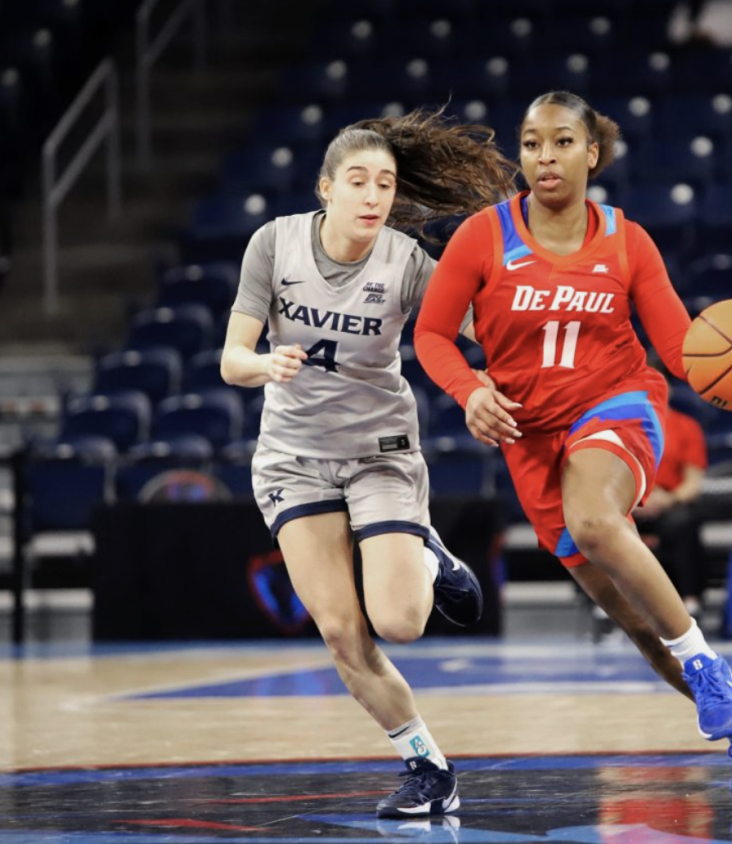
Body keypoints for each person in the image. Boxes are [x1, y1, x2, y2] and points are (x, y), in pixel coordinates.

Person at [414, 91, 732, 810]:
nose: (543, 157)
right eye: (530, 144)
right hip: (531, 439)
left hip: (615, 405)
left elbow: (682, 352)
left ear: (592, 153)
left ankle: (709, 673)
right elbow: (432, 335)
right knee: (641, 630)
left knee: (594, 519)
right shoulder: (482, 237)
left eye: (560, 143)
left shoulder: (628, 241)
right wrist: (469, 391)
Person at [219, 108, 518, 820]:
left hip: (378, 453)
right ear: (326, 188)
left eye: (384, 183)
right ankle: (428, 768)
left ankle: (425, 557)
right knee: (340, 635)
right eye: (358, 181)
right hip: (293, 461)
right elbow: (232, 360)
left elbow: (488, 327)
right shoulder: (274, 244)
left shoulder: (407, 262)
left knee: (402, 624)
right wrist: (265, 364)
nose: (373, 195)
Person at [634, 394, 709, 618]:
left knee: (685, 522)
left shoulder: (686, 426)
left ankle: (690, 601)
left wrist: (667, 499)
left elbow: (693, 483)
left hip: (669, 504)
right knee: (599, 522)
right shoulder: (618, 426)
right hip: (630, 504)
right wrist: (633, 501)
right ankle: (606, 604)